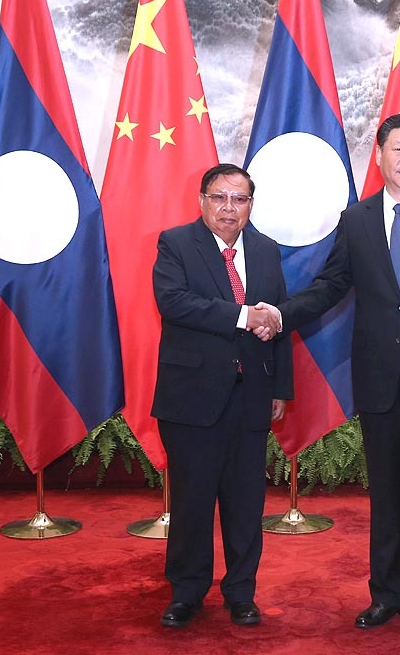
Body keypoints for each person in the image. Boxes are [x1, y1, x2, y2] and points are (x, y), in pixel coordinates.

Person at [257, 113, 400, 634]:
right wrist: (280, 314)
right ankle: (388, 595)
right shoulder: (357, 219)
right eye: (398, 150)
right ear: (380, 155)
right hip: (379, 380)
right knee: (385, 495)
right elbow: (329, 286)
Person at [151, 163, 292, 629]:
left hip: (252, 396)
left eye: (240, 199)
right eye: (220, 197)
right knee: (192, 503)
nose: (229, 208)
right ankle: (186, 594)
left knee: (245, 504)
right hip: (191, 398)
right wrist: (243, 316)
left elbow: (279, 321)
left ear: (251, 204)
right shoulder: (176, 243)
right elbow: (173, 302)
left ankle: (241, 593)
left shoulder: (267, 250)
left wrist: (281, 387)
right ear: (202, 201)